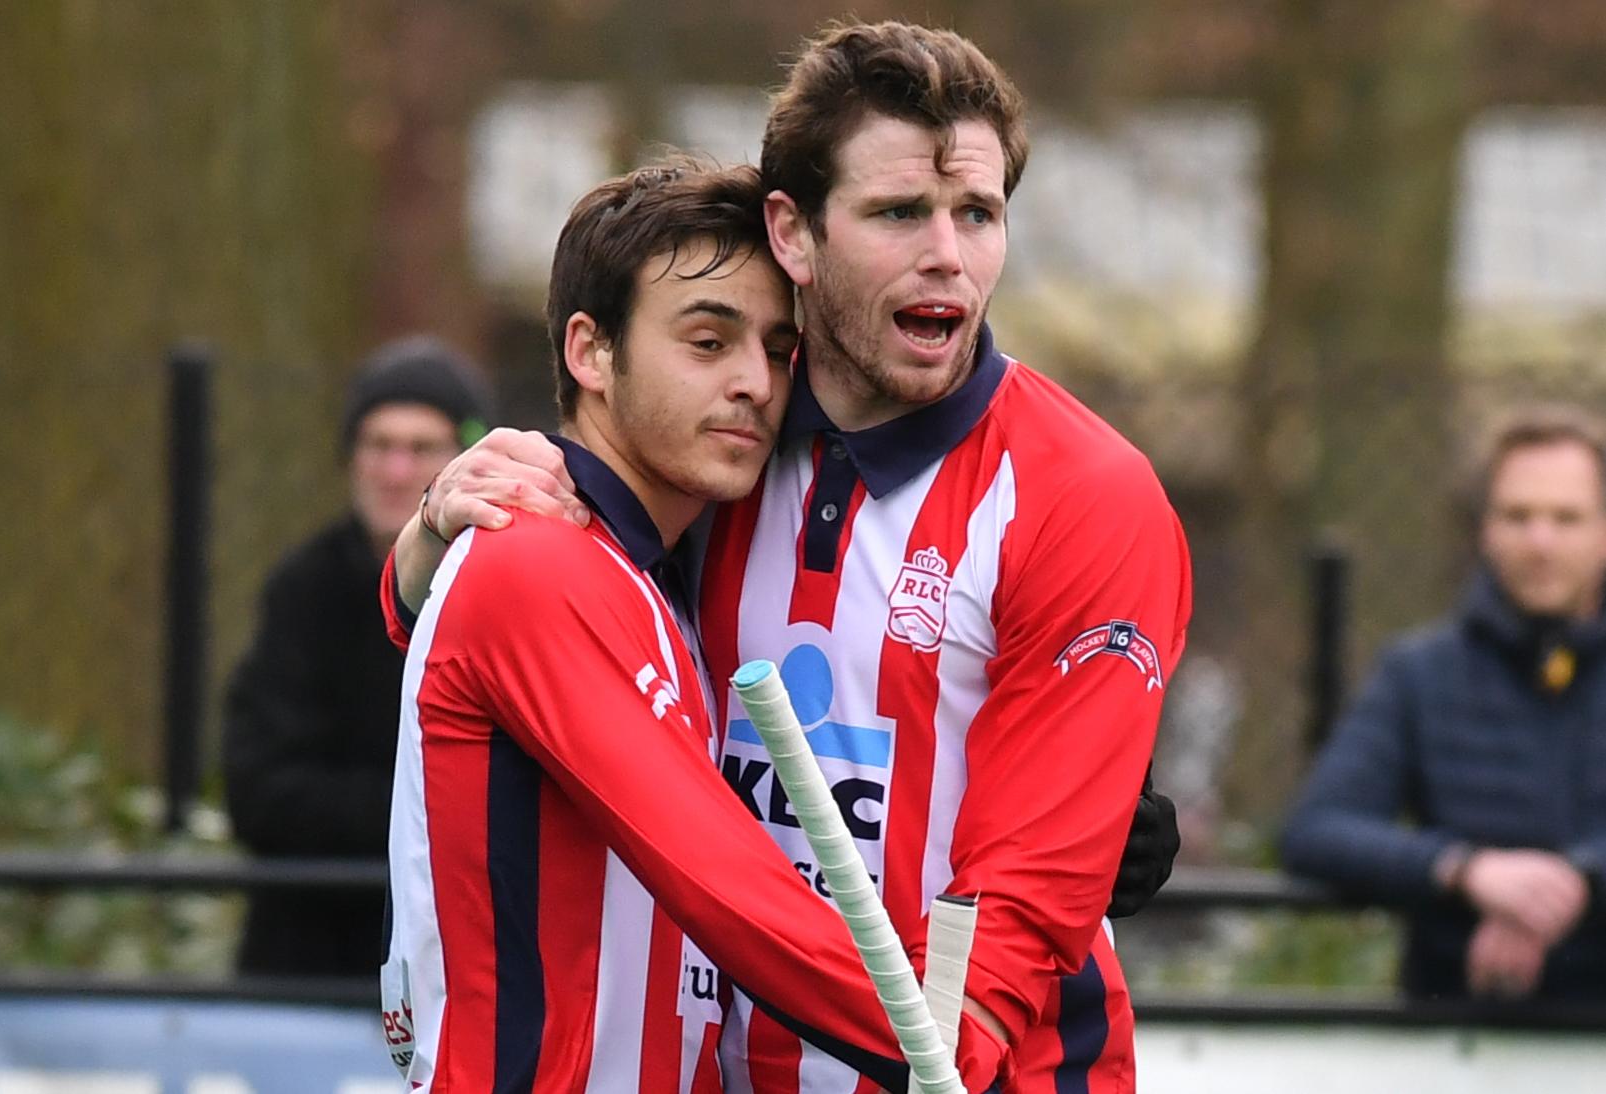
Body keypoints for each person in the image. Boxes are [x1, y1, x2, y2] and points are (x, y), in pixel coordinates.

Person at [393, 22, 1192, 1092]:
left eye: (980, 214)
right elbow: (512, 640)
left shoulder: (1082, 493)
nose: (948, 255)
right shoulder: (714, 455)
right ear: (797, 232)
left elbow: (1016, 922)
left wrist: (954, 1029)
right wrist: (426, 544)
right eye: (901, 211)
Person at [381, 158, 1032, 1093]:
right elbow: (729, 886)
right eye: (706, 341)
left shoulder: (665, 564)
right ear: (589, 352)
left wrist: (1071, 838)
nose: (755, 386)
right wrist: (943, 1052)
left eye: (775, 349)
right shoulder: (538, 560)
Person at [1281, 406, 1606, 1003]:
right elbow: (1316, 830)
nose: (1540, 541)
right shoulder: (1420, 673)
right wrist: (1466, 872)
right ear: (1485, 528)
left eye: (1566, 518)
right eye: (1518, 515)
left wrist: (1573, 885)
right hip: (1454, 1032)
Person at [221, 336, 491, 977]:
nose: (397, 471)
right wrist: (427, 809)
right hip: (307, 966)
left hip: (454, 966)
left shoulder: (502, 592)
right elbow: (258, 793)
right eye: (379, 445)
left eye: (422, 448)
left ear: (464, 459)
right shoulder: (301, 589)